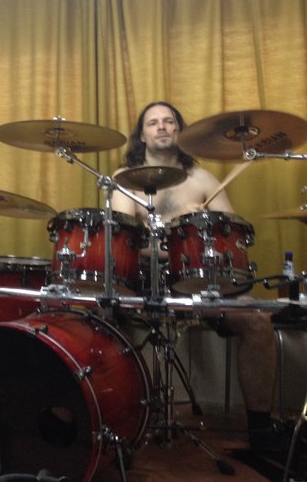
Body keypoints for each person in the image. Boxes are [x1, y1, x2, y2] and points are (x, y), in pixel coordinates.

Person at [111, 101, 288, 453]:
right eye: (153, 122)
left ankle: (262, 433)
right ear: (142, 135)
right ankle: (112, 418)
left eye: (169, 121)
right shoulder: (126, 179)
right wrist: (176, 233)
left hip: (202, 282)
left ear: (179, 130)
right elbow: (126, 242)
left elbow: (232, 237)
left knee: (257, 321)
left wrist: (199, 232)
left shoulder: (202, 179)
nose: (162, 126)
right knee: (99, 314)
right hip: (145, 283)